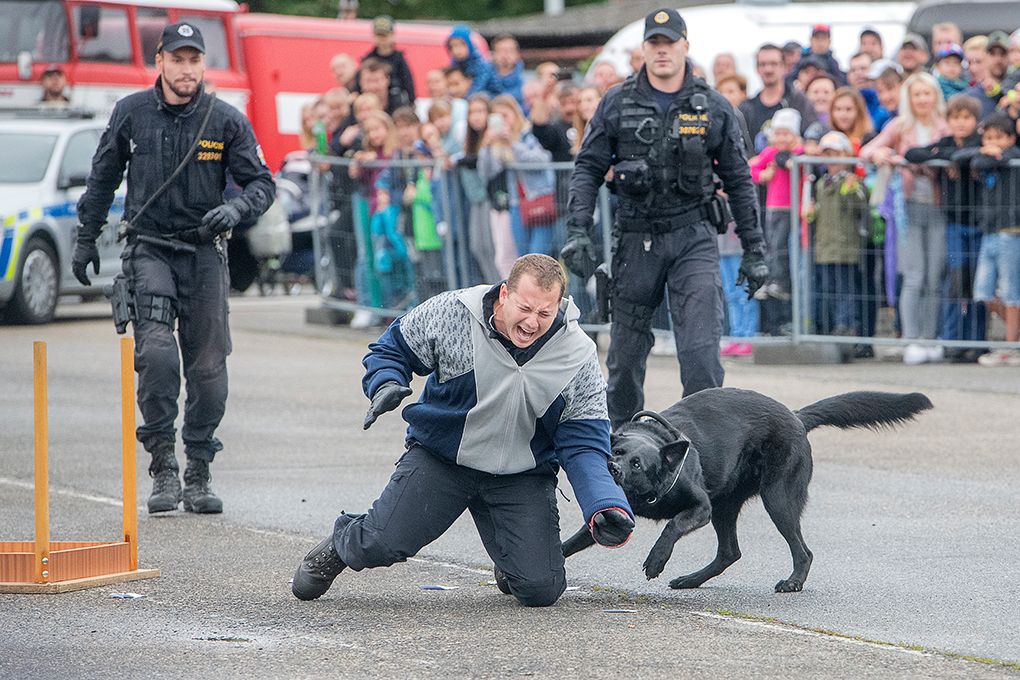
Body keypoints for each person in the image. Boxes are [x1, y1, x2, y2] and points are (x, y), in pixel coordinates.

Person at [291, 254, 635, 606]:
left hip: (519, 475)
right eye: (525, 308)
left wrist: (603, 502)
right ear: (504, 295)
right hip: (444, 460)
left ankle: (510, 559)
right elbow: (392, 348)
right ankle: (340, 543)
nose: (532, 322)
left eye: (544, 314)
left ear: (558, 306)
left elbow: (585, 441)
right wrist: (385, 383)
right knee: (382, 543)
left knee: (540, 589)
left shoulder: (577, 353)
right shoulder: (455, 312)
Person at [72, 22, 274, 514]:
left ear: (203, 64)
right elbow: (102, 178)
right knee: (158, 357)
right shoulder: (131, 113)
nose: (187, 69)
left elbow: (262, 184)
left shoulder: (225, 119)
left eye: (195, 60)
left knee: (208, 370)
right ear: (159, 60)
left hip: (205, 253)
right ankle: (163, 465)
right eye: (178, 59)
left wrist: (236, 210)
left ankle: (199, 468)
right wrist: (84, 240)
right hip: (150, 250)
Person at [561, 8, 767, 427]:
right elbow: (588, 169)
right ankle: (619, 448)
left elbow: (740, 180)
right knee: (624, 359)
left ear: (685, 47)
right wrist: (577, 231)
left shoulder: (713, 106)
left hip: (694, 237)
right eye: (654, 44)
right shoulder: (617, 103)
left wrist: (755, 249)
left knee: (701, 358)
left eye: (669, 43)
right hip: (636, 241)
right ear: (644, 50)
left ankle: (705, 455)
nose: (662, 52)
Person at [861, 72, 949, 365]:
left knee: (935, 277)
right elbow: (867, 149)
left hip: (939, 208)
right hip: (907, 209)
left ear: (935, 96)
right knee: (914, 276)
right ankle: (912, 338)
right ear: (909, 98)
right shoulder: (900, 125)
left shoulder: (944, 126)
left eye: (927, 93)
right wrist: (883, 154)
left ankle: (930, 338)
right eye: (917, 94)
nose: (923, 99)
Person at [903, 94, 983, 359]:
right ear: (948, 121)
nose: (961, 123)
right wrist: (949, 156)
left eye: (967, 118)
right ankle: (952, 340)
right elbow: (913, 153)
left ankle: (976, 341)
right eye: (956, 118)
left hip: (978, 224)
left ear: (975, 121)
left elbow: (978, 155)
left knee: (976, 286)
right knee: (955, 282)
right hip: (953, 224)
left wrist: (953, 158)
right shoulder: (946, 143)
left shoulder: (979, 143)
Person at [963, 113, 1020, 366]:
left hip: (1011, 231)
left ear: (1010, 138)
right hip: (989, 231)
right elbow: (972, 160)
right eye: (988, 138)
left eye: (999, 138)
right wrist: (988, 152)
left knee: (1010, 292)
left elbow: (1009, 155)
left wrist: (998, 153)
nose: (993, 143)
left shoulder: (1013, 156)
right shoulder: (984, 158)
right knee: (984, 292)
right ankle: (1015, 340)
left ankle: (1009, 348)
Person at [807, 131, 869, 336]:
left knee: (846, 289)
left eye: (835, 153)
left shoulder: (852, 181)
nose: (831, 159)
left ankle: (847, 325)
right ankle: (835, 324)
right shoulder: (820, 184)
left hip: (845, 248)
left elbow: (859, 208)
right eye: (827, 154)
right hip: (825, 248)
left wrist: (850, 191)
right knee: (829, 289)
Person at [740, 43, 817, 152]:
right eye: (763, 64)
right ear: (757, 69)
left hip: (791, 166)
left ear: (784, 67)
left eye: (774, 64)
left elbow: (811, 137)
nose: (768, 69)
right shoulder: (746, 108)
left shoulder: (799, 101)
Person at [361, 15, 415, 105]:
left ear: (392, 36)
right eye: (379, 35)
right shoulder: (367, 59)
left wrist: (411, 102)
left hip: (395, 104)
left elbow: (408, 84)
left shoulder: (400, 60)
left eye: (385, 35)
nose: (382, 39)